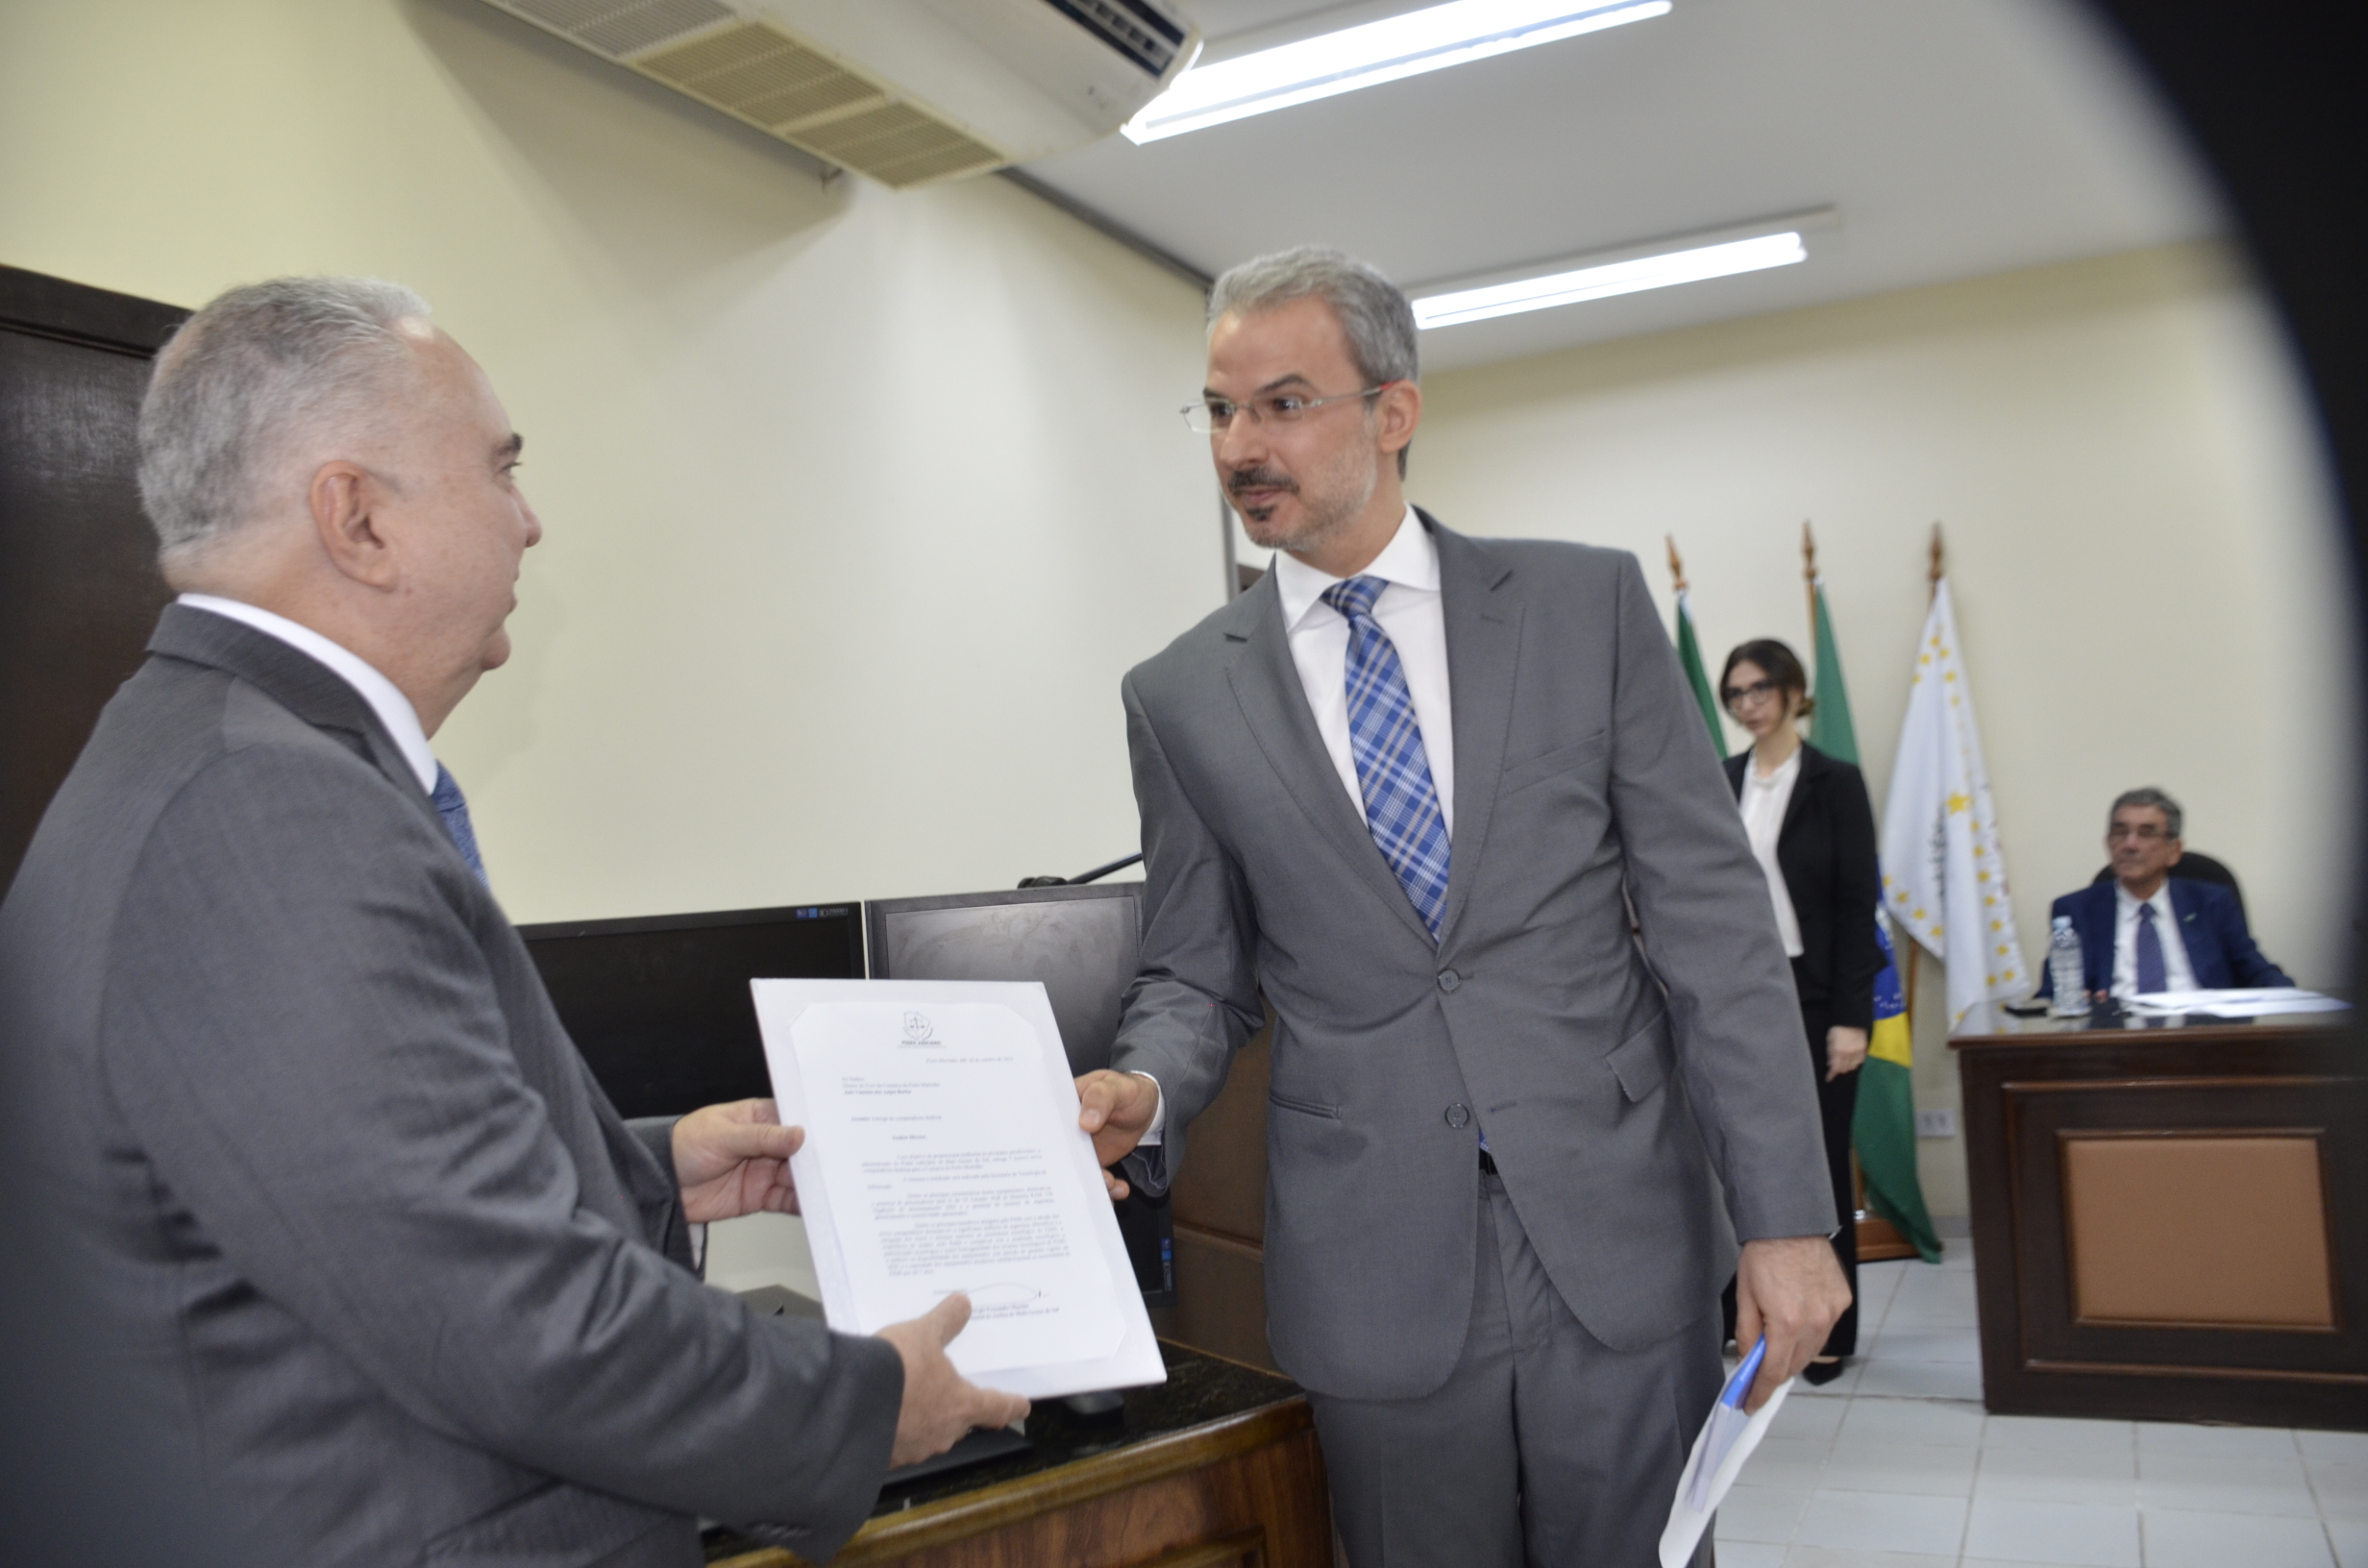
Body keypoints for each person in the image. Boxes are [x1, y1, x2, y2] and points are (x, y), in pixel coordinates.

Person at [0, 278, 1025, 1568]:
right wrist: (866, 1407)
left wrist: (654, 1174)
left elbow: (359, 1210)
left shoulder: (214, 756)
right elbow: (508, 1320)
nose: (532, 524)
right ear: (359, 518)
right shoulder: (264, 810)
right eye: (500, 469)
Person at [1071, 248, 1846, 1568]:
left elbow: (1715, 929)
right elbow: (1199, 972)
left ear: (1393, 412)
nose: (1241, 444)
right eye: (1219, 409)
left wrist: (1787, 1219)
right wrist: (1145, 1084)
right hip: (1376, 1268)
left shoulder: (1581, 609)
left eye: (1283, 402)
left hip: (1617, 1241)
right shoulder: (1180, 695)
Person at [1718, 639, 1882, 1387]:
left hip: (1816, 997)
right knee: (1730, 1157)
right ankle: (1738, 1318)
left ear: (1792, 692)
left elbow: (1856, 907)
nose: (1749, 705)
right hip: (1738, 994)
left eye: (1760, 689)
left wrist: (1853, 1016)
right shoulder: (1722, 780)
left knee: (1817, 1160)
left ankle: (1830, 1329)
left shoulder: (1834, 782)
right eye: (1736, 694)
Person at [2040, 787, 2292, 1001]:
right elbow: (2052, 992)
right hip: (2114, 1043)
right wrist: (2070, 1000)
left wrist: (2294, 1000)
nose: (2130, 845)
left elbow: (2257, 971)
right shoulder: (2074, 911)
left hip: (2205, 1037)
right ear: (2108, 843)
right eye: (2120, 833)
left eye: (2146, 833)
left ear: (2174, 850)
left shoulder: (2212, 902)